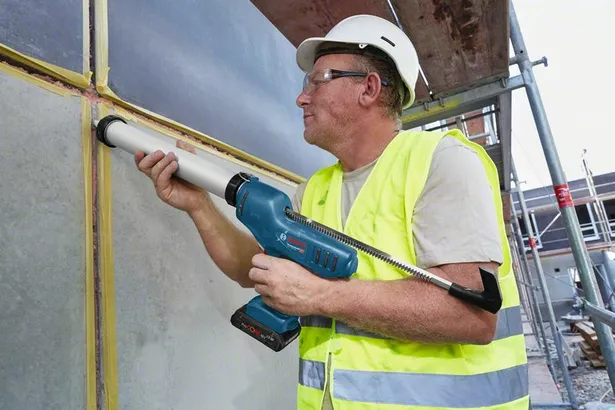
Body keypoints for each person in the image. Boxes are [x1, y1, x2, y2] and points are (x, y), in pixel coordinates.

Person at [134, 14, 528, 410]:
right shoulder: (316, 189)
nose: (301, 98)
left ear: (369, 88)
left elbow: (472, 315)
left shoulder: (441, 161)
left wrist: (319, 295)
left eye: (318, 81)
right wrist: (198, 204)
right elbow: (251, 268)